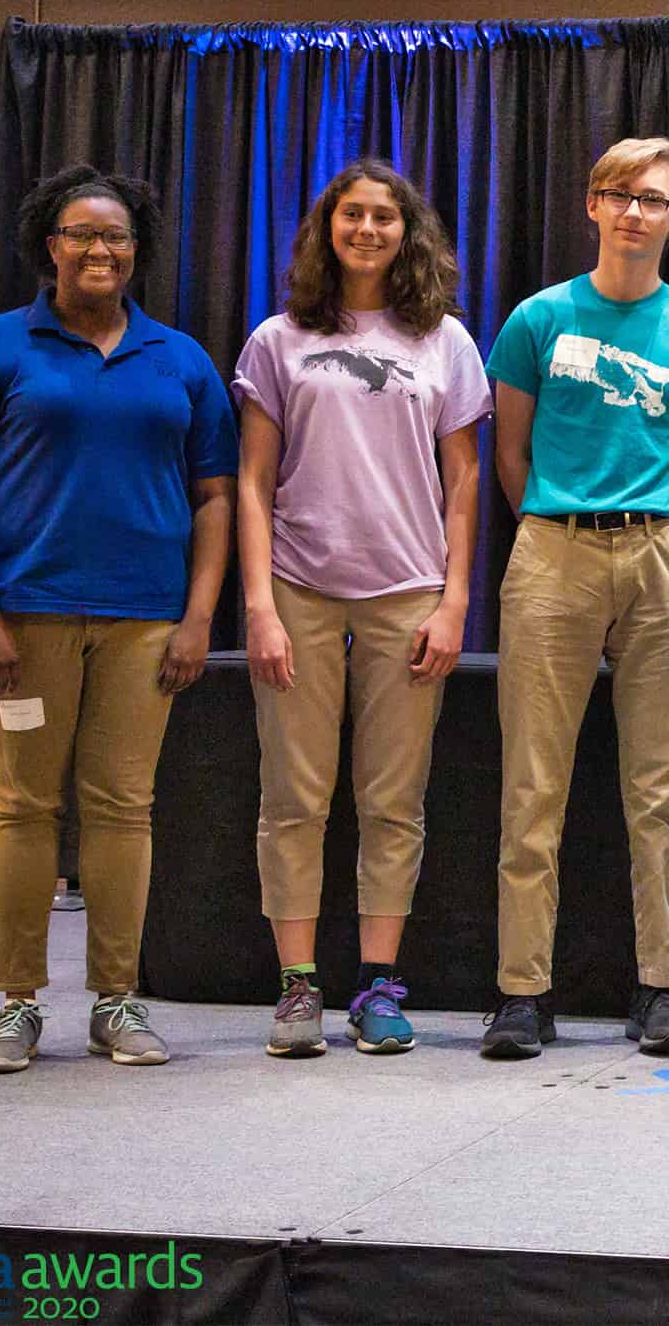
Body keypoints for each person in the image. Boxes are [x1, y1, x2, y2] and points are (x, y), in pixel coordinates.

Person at [0, 164, 237, 1074]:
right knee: (22, 807)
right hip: (24, 619)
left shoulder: (179, 359)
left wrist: (200, 613)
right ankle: (16, 1004)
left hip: (146, 624)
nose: (100, 249)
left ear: (138, 251)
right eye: (81, 234)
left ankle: (116, 999)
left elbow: (216, 496)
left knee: (124, 808)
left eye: (117, 236)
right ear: (48, 246)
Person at [482, 137, 669, 1059]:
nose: (636, 212)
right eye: (619, 195)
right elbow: (509, 455)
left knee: (661, 788)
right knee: (533, 785)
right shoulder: (537, 321)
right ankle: (523, 991)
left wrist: (650, 533)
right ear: (592, 206)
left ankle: (661, 986)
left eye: (656, 200)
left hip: (660, 555)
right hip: (553, 549)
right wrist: (559, 527)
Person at [233, 160, 490, 1058]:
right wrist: (258, 607)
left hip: (409, 593)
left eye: (386, 216)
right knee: (294, 797)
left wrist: (455, 601)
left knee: (393, 801)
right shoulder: (279, 338)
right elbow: (253, 479)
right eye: (353, 214)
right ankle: (298, 988)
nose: (369, 229)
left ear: (407, 231)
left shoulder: (446, 341)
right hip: (299, 589)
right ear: (326, 227)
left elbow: (463, 483)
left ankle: (379, 986)